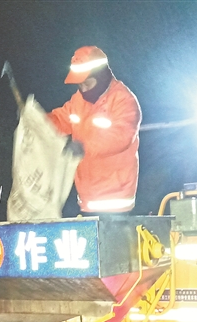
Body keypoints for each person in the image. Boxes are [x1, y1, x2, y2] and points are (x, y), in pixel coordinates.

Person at [48, 46, 142, 216]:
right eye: (80, 84)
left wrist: (83, 147)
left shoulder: (124, 100)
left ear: (101, 77)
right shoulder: (78, 100)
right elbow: (60, 119)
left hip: (115, 202)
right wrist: (35, 119)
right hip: (86, 200)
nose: (83, 89)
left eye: (88, 83)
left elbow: (120, 136)